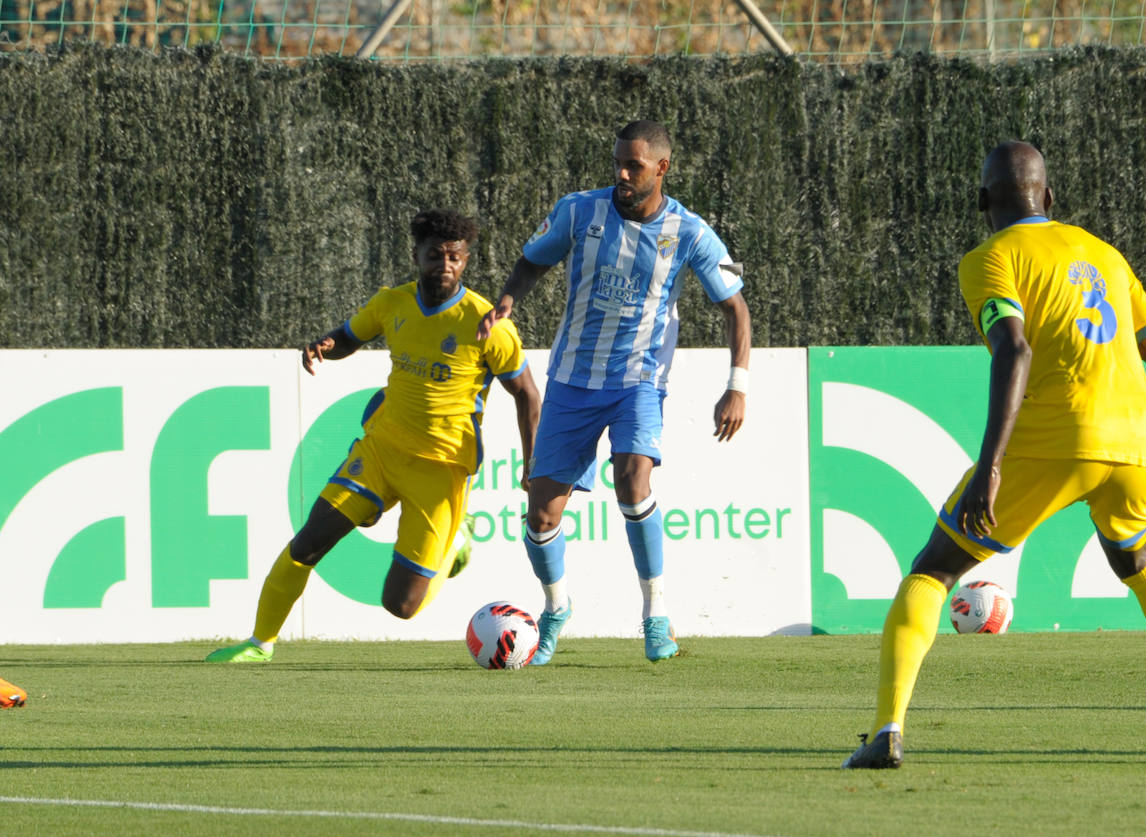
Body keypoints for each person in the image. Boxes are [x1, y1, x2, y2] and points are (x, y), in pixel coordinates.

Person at [844, 141, 1146, 768]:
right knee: (1137, 557)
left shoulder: (989, 258)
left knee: (934, 568)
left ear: (982, 202)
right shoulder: (1105, 254)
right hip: (1142, 435)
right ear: (1050, 198)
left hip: (1059, 432)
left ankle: (884, 734)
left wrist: (992, 466)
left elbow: (1014, 351)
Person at [206, 210, 540, 662]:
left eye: (455, 257)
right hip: (380, 451)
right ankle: (259, 644)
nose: (445, 264)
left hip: (440, 470)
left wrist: (533, 461)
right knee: (308, 542)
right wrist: (326, 345)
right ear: (417, 256)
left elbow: (527, 395)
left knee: (400, 605)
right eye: (435, 255)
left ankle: (454, 543)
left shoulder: (486, 323)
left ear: (465, 261)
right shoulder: (392, 303)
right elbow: (348, 336)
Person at [476, 119, 752, 664]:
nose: (622, 174)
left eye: (635, 166)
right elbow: (533, 260)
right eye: (618, 163)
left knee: (632, 480)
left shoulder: (691, 232)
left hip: (638, 380)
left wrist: (737, 386)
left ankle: (655, 614)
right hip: (573, 380)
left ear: (662, 168)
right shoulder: (579, 210)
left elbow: (735, 308)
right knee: (542, 516)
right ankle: (556, 608)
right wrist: (508, 300)